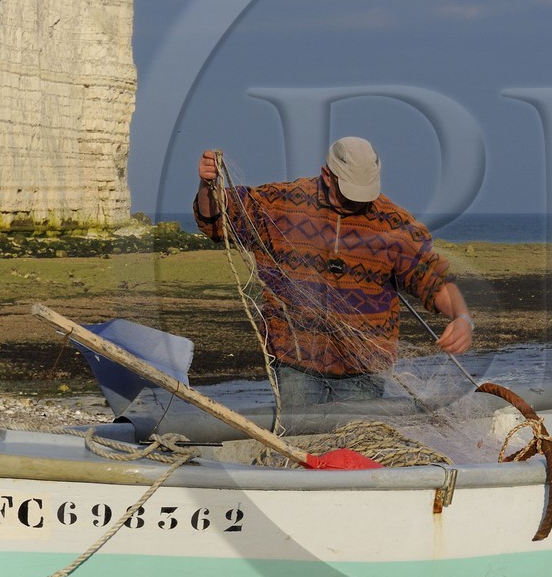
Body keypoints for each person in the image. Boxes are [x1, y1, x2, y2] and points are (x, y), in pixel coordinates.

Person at [192, 137, 472, 405]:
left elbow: (431, 278)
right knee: (303, 447)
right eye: (350, 192)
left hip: (365, 371)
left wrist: (461, 318)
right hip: (297, 364)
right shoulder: (281, 202)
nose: (357, 202)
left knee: (355, 449)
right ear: (327, 175)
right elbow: (217, 221)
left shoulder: (393, 222)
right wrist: (207, 186)